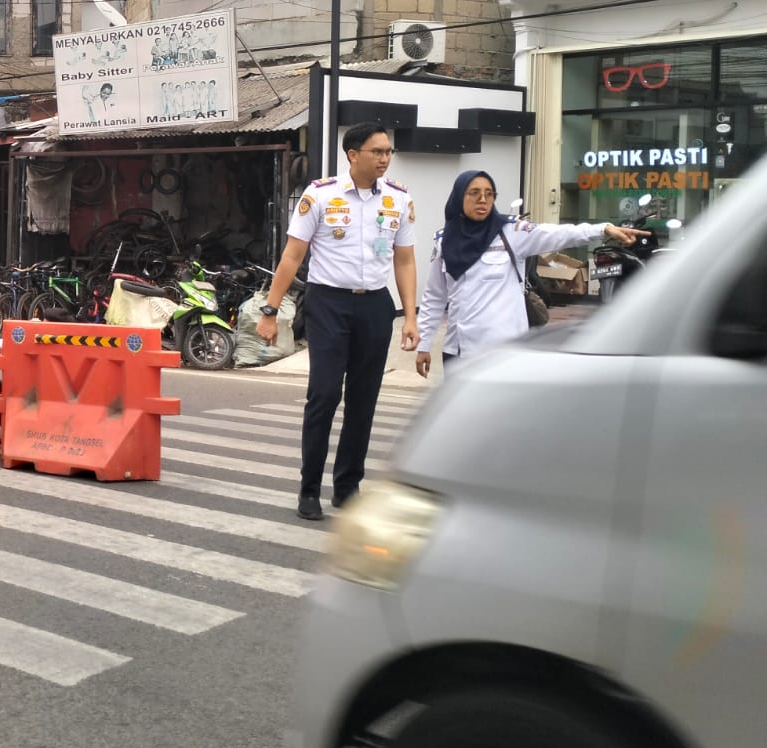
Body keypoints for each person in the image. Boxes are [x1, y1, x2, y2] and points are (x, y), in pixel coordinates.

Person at [255, 123, 420, 521]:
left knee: (363, 402)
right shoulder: (320, 195)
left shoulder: (398, 200)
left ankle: (348, 488)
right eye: (377, 151)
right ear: (353, 154)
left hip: (376, 307)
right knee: (325, 395)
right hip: (328, 303)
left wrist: (411, 317)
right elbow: (292, 256)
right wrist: (270, 311)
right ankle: (309, 488)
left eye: (388, 152)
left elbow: (405, 260)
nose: (384, 158)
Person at [416, 171, 643, 375]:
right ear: (458, 197)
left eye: (489, 193)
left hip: (504, 352)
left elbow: (560, 234)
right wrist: (424, 345)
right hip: (458, 352)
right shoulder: (444, 241)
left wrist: (602, 229)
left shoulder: (512, 232)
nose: (482, 199)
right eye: (474, 193)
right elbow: (435, 297)